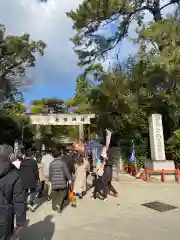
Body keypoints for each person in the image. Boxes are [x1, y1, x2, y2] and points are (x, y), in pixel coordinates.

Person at [0, 144, 26, 240]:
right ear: (11, 156)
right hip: (4, 216)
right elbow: (18, 200)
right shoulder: (14, 174)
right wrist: (20, 221)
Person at [49, 148, 72, 213]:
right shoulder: (62, 163)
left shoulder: (51, 163)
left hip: (54, 182)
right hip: (62, 181)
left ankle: (54, 208)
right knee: (64, 193)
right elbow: (66, 172)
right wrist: (70, 179)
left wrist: (50, 181)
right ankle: (59, 204)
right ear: (59, 156)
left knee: (54, 194)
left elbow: (50, 173)